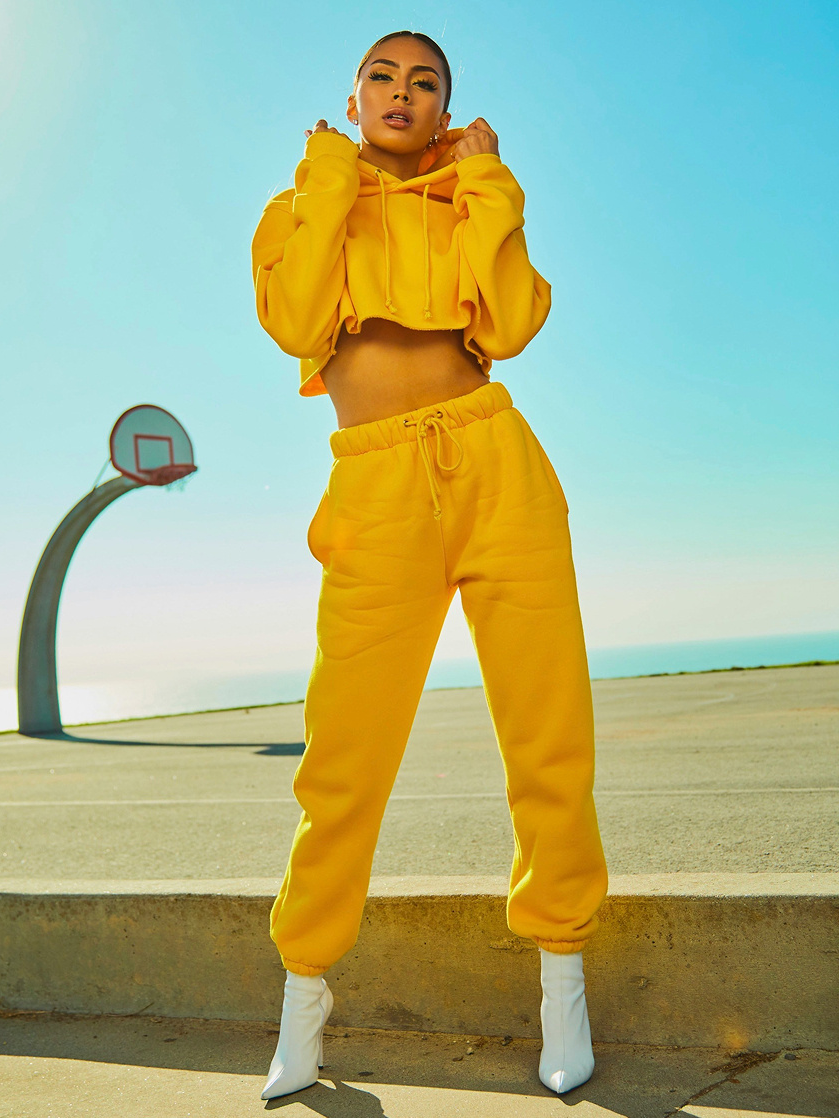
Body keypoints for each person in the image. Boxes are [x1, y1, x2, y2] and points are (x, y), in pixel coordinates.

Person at [250, 29, 608, 1100]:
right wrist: (328, 176)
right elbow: (295, 320)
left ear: (447, 106)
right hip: (376, 489)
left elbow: (512, 319)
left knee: (551, 733)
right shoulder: (300, 204)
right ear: (352, 96)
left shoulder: (470, 195)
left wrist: (490, 182)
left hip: (497, 460)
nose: (402, 93)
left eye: (426, 82)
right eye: (383, 78)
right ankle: (304, 994)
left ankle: (562, 973)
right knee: (344, 759)